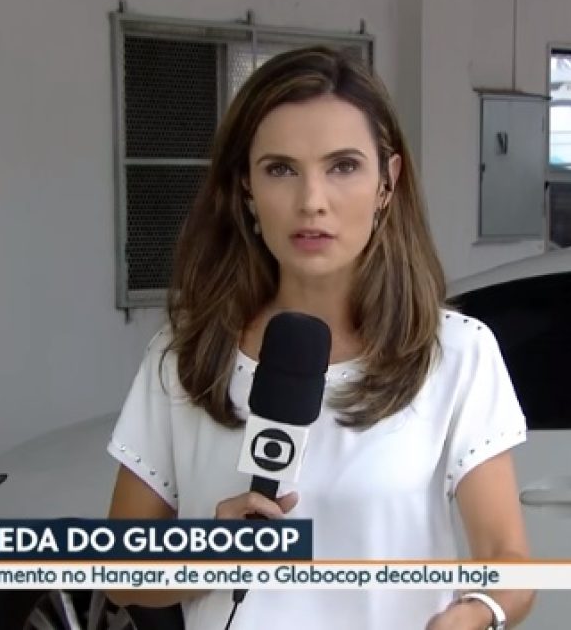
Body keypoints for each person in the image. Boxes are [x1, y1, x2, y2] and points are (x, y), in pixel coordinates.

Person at [106, 45, 535, 630]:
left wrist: (476, 612)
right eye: (281, 169)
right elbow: (119, 571)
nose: (312, 202)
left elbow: (508, 562)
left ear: (387, 182)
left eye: (343, 166)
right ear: (246, 186)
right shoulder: (185, 354)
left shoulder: (456, 353)